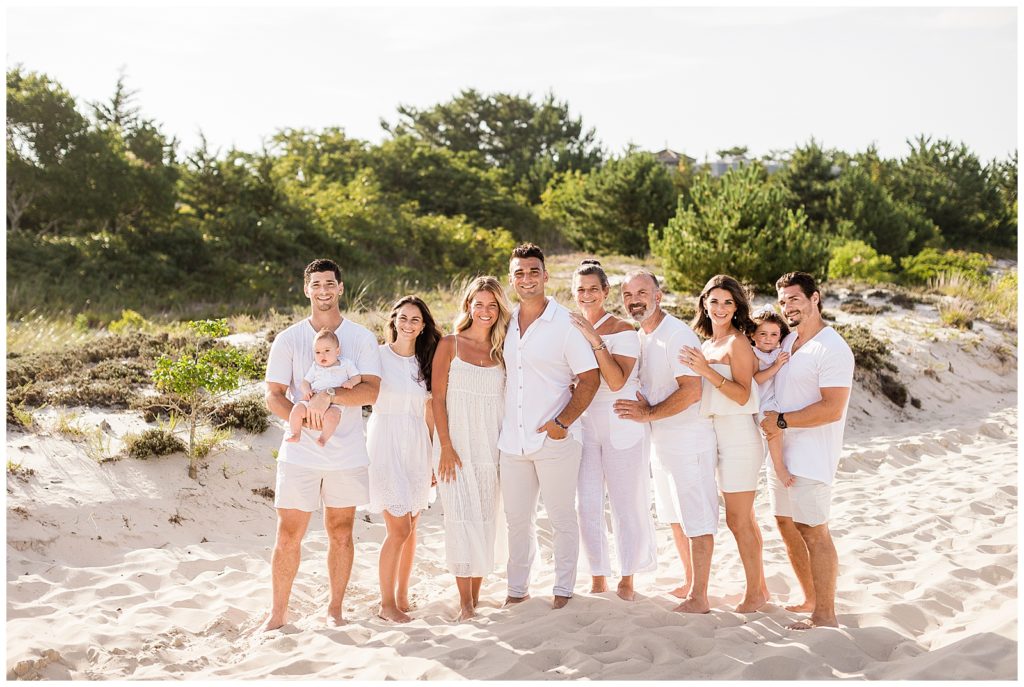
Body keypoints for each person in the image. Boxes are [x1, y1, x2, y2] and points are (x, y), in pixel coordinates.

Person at [263, 258, 382, 630]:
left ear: (341, 288)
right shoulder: (289, 339)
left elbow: (371, 391)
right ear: (306, 289)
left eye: (330, 283)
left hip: (345, 452)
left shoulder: (361, 338)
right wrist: (303, 417)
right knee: (288, 534)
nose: (324, 291)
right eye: (316, 284)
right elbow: (273, 395)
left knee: (342, 531)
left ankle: (335, 610)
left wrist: (327, 396)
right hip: (300, 451)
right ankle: (278, 615)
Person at [498, 243, 600, 610]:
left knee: (560, 517)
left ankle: (562, 590)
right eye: (519, 273)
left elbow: (590, 378)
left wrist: (562, 423)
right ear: (511, 279)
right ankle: (517, 589)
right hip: (512, 441)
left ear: (545, 275)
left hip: (555, 439)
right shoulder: (504, 322)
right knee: (517, 521)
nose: (526, 278)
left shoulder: (566, 324)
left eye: (533, 271)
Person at [614, 270, 717, 614]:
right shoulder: (642, 336)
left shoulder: (677, 335)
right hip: (662, 442)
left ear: (658, 296)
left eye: (642, 292)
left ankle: (700, 597)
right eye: (628, 295)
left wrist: (648, 414)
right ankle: (690, 582)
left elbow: (691, 391)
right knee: (675, 516)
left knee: (697, 517)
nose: (634, 300)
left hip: (689, 440)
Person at [760, 271, 854, 630]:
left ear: (815, 298)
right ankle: (810, 597)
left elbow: (832, 408)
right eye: (783, 301)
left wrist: (781, 421)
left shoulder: (832, 348)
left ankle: (826, 615)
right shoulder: (787, 343)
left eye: (795, 299)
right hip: (781, 454)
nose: (788, 307)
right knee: (785, 524)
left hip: (812, 457)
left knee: (814, 530)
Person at [679, 274, 770, 613]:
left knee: (738, 520)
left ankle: (755, 595)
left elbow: (743, 393)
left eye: (728, 302)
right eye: (714, 301)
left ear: (737, 307)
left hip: (739, 439)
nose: (720, 308)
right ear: (704, 303)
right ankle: (760, 588)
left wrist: (706, 371)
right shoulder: (706, 345)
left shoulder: (737, 343)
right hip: (714, 436)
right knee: (744, 518)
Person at [568, 259, 657, 601]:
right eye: (580, 290)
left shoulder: (622, 330)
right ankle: (597, 574)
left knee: (626, 503)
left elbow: (617, 379)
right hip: (585, 424)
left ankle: (629, 577)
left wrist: (594, 338)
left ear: (605, 292)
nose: (587, 295)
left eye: (593, 289)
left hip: (621, 420)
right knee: (586, 504)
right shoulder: (569, 327)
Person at [432, 276, 511, 621]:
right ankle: (464, 604)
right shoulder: (450, 344)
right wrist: (446, 447)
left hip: (491, 451)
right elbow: (436, 400)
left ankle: (475, 600)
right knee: (461, 521)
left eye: (492, 305)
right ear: (468, 306)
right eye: (479, 304)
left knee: (484, 522)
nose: (485, 311)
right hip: (456, 450)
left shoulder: (503, 350)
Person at [367, 295, 442, 623]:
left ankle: (401, 596)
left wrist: (433, 456)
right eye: (403, 317)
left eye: (415, 319)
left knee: (411, 527)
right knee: (397, 528)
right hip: (384, 442)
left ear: (423, 326)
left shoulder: (426, 362)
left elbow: (428, 411)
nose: (408, 324)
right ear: (394, 320)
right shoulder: (377, 356)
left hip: (416, 446)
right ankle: (386, 605)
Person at [286, 328, 362, 447]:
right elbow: (305, 382)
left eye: (327, 350)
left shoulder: (345, 364)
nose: (322, 355)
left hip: (335, 401)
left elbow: (357, 377)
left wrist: (350, 382)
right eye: (317, 352)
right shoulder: (315, 366)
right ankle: (295, 433)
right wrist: (307, 391)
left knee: (332, 417)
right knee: (297, 409)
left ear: (337, 351)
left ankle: (323, 438)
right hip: (313, 398)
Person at [750, 307, 795, 487]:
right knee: (773, 430)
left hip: (777, 398)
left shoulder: (779, 352)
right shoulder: (753, 353)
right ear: (753, 335)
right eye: (763, 334)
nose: (768, 339)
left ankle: (778, 461)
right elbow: (756, 379)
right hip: (762, 402)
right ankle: (779, 467)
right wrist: (776, 366)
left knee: (779, 430)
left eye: (774, 334)